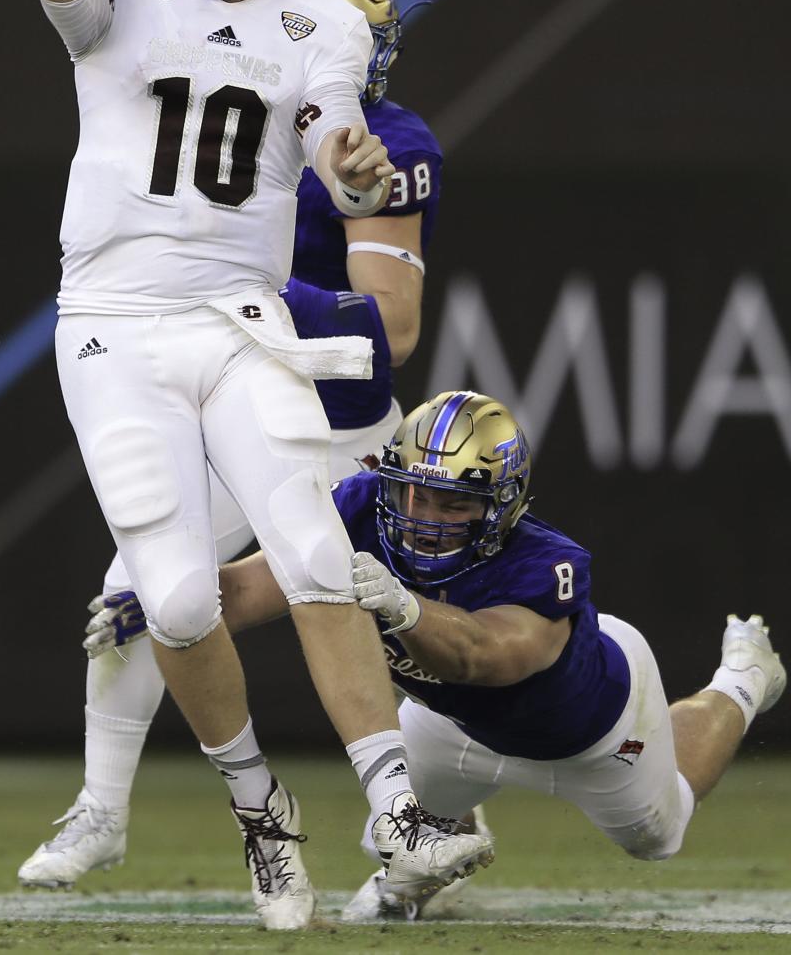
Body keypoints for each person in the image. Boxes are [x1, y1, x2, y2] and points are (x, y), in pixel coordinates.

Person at [0, 0, 491, 930]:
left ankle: (397, 808)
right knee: (179, 600)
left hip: (244, 317)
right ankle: (259, 808)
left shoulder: (316, 20)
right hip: (113, 322)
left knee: (315, 550)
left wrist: (353, 163)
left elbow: (334, 121)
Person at [17, 0, 445, 889]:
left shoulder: (388, 141)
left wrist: (231, 283)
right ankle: (102, 806)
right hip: (234, 371)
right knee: (137, 590)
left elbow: (398, 324)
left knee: (399, 605)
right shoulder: (224, 77)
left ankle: (424, 818)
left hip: (338, 411)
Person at [213, 388, 787, 921]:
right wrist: (157, 599)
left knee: (658, 837)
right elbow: (244, 592)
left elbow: (485, 656)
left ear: (502, 506)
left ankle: (740, 679)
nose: (424, 520)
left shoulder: (546, 563)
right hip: (452, 722)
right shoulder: (359, 510)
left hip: (591, 728)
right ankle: (446, 844)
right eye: (413, 493)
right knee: (385, 834)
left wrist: (404, 606)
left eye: (452, 504)